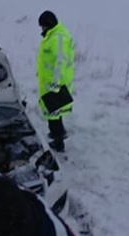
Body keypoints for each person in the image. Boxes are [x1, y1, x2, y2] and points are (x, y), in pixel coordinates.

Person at [37, 10, 76, 153]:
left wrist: (56, 84)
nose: (42, 29)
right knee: (54, 114)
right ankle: (57, 136)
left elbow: (60, 62)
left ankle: (58, 141)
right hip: (50, 83)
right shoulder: (52, 36)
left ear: (49, 24)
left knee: (53, 114)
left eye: (43, 26)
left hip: (55, 85)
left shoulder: (58, 38)